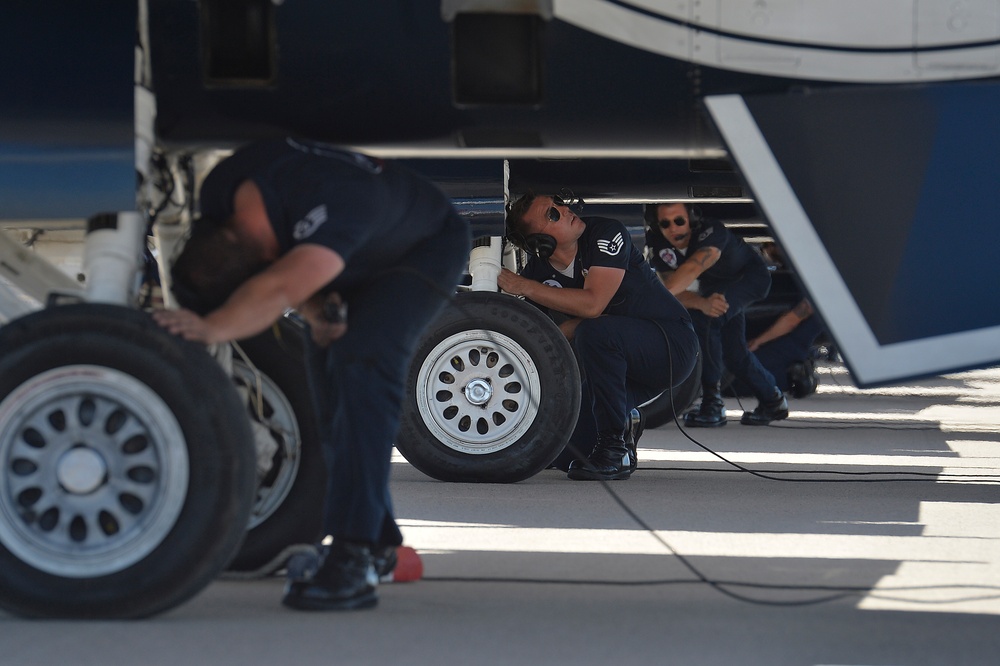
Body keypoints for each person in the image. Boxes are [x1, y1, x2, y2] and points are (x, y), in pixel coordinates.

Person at [153, 138, 470, 611]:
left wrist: (213, 327)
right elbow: (289, 275)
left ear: (263, 259)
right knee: (326, 387)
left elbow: (282, 282)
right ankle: (380, 543)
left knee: (364, 365)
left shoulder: (338, 204)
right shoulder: (223, 191)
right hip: (347, 255)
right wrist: (318, 312)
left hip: (421, 247)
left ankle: (353, 554)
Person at [499, 192, 699, 480]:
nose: (565, 209)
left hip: (670, 346)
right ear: (540, 243)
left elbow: (593, 306)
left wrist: (525, 288)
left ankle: (614, 449)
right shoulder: (539, 272)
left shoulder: (605, 232)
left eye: (559, 202)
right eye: (552, 214)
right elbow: (530, 340)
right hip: (617, 363)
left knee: (595, 332)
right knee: (565, 454)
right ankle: (626, 421)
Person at [644, 202, 787, 426]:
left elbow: (691, 269)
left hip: (747, 278)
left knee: (707, 321)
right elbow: (672, 287)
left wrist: (648, 301)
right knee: (735, 352)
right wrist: (700, 302)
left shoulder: (712, 232)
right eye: (665, 223)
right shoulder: (656, 241)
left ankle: (713, 404)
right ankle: (773, 401)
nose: (674, 228)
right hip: (712, 289)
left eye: (679, 221)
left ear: (691, 219)